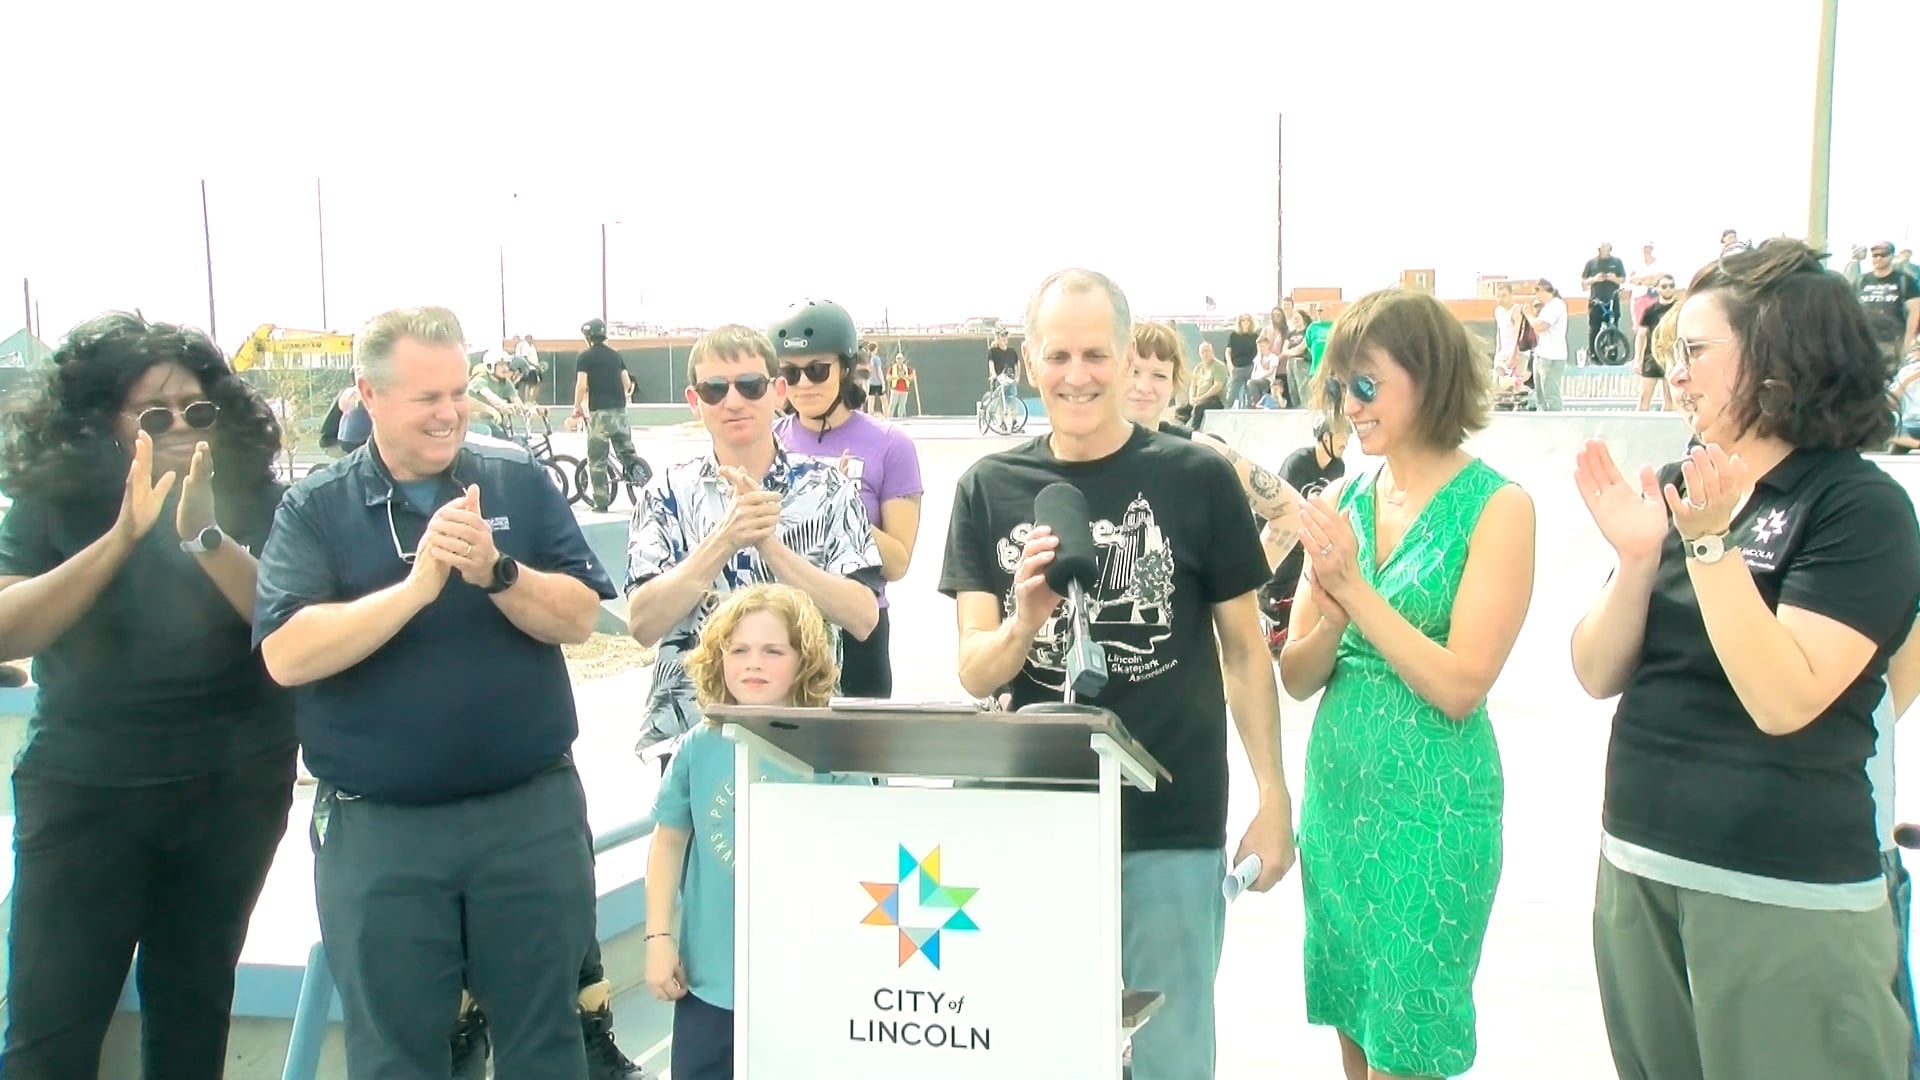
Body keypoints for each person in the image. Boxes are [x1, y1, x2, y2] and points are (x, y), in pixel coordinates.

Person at [1570, 239, 1920, 1080]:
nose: (1677, 376)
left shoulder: (1857, 508)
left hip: (1783, 891)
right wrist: (1640, 559)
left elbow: (1784, 697)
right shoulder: (1680, 486)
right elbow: (1594, 670)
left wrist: (1713, 546)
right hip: (1641, 864)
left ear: (1776, 359)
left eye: (1694, 352)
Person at [940, 268, 1295, 1080]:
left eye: (1096, 353)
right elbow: (972, 670)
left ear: (1130, 356)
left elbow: (1244, 652)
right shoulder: (987, 489)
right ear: (1029, 361)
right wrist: (1025, 623)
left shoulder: (1197, 477)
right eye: (1058, 354)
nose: (1077, 375)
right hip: (1031, 825)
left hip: (1171, 824)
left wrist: (1274, 798)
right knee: (1037, 1051)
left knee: (1168, 1058)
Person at [253, 305, 621, 1078]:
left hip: (528, 819)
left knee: (545, 1042)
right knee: (396, 1054)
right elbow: (287, 654)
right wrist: (417, 589)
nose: (450, 411)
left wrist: (498, 572)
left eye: (458, 391)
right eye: (427, 397)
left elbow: (583, 617)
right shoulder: (316, 508)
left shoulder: (514, 478)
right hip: (382, 835)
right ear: (369, 395)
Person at [0, 313, 296, 1079]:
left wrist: (203, 534)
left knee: (193, 1013)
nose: (178, 428)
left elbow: (290, 624)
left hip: (233, 785)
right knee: (49, 1030)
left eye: (197, 411)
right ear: (101, 418)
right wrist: (123, 535)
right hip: (87, 791)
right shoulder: (52, 503)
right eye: (153, 414)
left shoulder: (253, 496)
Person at [1278, 288, 1537, 1080]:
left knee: (1413, 1044)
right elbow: (1295, 676)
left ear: (1429, 379)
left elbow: (1462, 684)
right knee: (1355, 1028)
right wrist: (1324, 615)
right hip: (1340, 811)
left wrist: (1354, 594)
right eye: (1338, 388)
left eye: (1366, 385)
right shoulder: (1345, 500)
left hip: (1433, 816)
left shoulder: (1499, 507)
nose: (1348, 407)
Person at [625, 324, 881, 768]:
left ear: (777, 391)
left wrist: (771, 546)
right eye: (714, 389)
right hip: (692, 740)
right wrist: (725, 539)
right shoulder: (665, 491)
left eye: (750, 385)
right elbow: (644, 623)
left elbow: (862, 617)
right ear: (694, 400)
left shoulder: (829, 488)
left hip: (805, 739)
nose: (733, 400)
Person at [643, 584, 851, 1080]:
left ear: (805, 661)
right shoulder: (697, 747)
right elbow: (668, 840)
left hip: (809, 985)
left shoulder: (841, 751)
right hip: (710, 984)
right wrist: (657, 936)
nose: (752, 663)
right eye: (738, 650)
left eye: (772, 650)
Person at [770, 299, 922, 698]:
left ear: (845, 368)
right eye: (790, 372)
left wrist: (836, 503)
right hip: (776, 629)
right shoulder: (769, 441)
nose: (803, 384)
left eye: (817, 370)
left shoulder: (891, 446)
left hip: (856, 631)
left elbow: (897, 562)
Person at [1123, 319, 1305, 568]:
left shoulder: (1200, 452)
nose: (1144, 386)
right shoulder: (1078, 450)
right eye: (1134, 371)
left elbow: (1291, 511)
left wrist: (1243, 586)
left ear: (1173, 383)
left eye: (1159, 375)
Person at [1260, 412, 1351, 652]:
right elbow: (1273, 505)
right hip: (1287, 541)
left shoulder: (1338, 468)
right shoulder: (1297, 463)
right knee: (1278, 588)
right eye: (1342, 435)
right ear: (1325, 437)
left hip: (1310, 545)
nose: (1347, 441)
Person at [573, 317, 646, 512]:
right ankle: (640, 478)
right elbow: (627, 383)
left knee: (597, 459)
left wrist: (577, 406)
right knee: (627, 453)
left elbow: (581, 386)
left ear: (588, 336)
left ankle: (601, 502)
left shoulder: (585, 357)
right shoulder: (616, 356)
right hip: (620, 412)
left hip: (600, 414)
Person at [1521, 280, 1569, 411]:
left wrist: (1529, 315)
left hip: (1552, 356)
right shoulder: (1548, 307)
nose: (1535, 295)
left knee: (1551, 395)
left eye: (1536, 291)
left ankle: (1557, 423)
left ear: (1543, 290)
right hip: (1541, 354)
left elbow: (1541, 326)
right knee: (1540, 396)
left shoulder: (1556, 305)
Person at [1636, 276, 1680, 412]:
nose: (1668, 289)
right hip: (1652, 356)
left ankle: (1665, 430)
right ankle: (1638, 427)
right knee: (1644, 396)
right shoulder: (1650, 310)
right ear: (1657, 289)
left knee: (1670, 399)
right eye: (1664, 286)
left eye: (1671, 286)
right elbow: (1641, 335)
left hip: (1672, 357)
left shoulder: (1679, 308)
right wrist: (1638, 359)